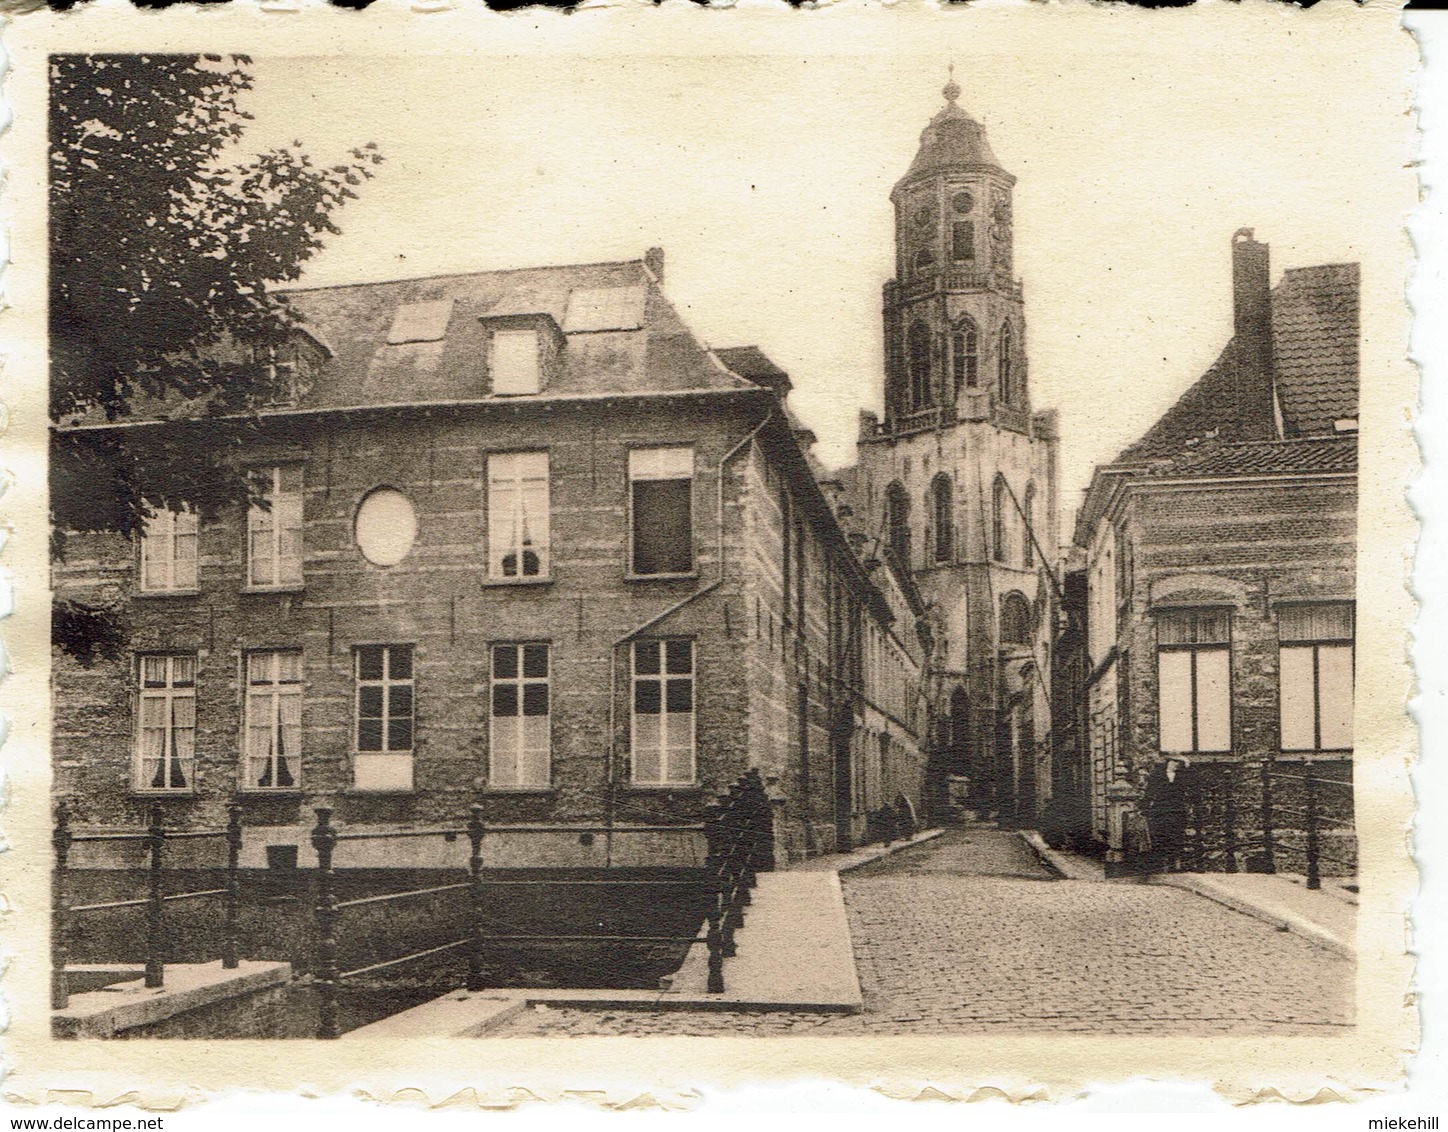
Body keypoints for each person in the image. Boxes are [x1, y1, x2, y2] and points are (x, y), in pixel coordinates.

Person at [1144, 757, 1191, 872]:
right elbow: (1149, 792)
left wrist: (1187, 763)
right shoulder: (1157, 775)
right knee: (1160, 836)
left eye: (1179, 763)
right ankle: (1161, 865)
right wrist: (1145, 808)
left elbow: (1191, 783)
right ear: (1168, 762)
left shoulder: (1182, 776)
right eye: (1174, 762)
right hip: (1160, 810)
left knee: (1177, 836)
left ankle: (1176, 864)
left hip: (1177, 810)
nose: (1176, 765)